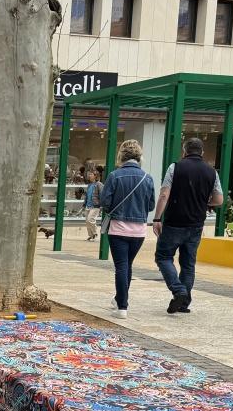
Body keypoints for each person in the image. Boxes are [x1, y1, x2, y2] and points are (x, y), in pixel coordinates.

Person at [154, 137, 224, 314]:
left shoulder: (175, 167)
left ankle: (178, 290)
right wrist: (203, 202)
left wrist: (157, 219)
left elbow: (164, 195)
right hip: (196, 224)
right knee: (188, 264)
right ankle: (184, 303)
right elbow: (219, 200)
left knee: (163, 257)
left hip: (174, 222)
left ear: (184, 151)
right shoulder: (212, 172)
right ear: (202, 152)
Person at [99, 140, 155, 320]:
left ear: (121, 156)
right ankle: (119, 299)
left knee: (121, 266)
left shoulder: (114, 176)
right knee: (127, 265)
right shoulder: (147, 178)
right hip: (139, 231)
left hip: (118, 228)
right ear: (139, 157)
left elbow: (105, 202)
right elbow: (151, 205)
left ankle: (122, 306)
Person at [84, 165, 104, 241]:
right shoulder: (89, 185)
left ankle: (95, 234)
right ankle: (91, 235)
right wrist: (84, 204)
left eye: (91, 174)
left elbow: (102, 195)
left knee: (90, 219)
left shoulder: (99, 184)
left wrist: (101, 205)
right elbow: (87, 195)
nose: (89, 176)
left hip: (95, 206)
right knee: (87, 221)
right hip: (88, 205)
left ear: (95, 176)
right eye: (89, 174)